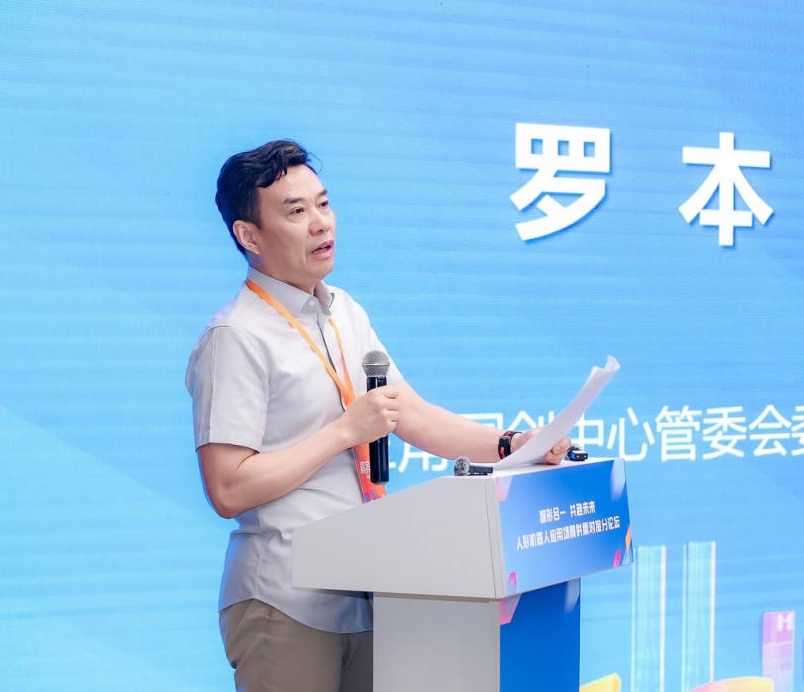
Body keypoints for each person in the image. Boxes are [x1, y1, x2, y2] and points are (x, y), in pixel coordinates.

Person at [185, 140, 569, 692]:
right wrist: (344, 431)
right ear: (249, 235)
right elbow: (227, 488)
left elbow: (412, 414)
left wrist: (512, 444)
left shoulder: (343, 311)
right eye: (296, 211)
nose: (321, 223)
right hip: (285, 601)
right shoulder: (235, 337)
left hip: (368, 589)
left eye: (324, 204)